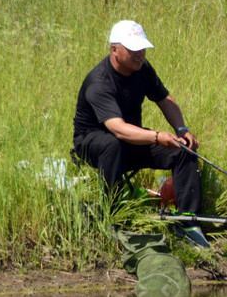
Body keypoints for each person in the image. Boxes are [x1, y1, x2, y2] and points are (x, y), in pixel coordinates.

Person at [72, 20, 208, 245]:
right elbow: (118, 129)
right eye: (133, 49)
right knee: (111, 143)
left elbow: (164, 99)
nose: (140, 54)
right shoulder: (99, 82)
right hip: (93, 145)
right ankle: (112, 219)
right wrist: (157, 137)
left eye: (142, 48)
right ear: (114, 49)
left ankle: (189, 224)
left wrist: (182, 131)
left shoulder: (142, 69)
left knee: (184, 149)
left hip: (131, 140)